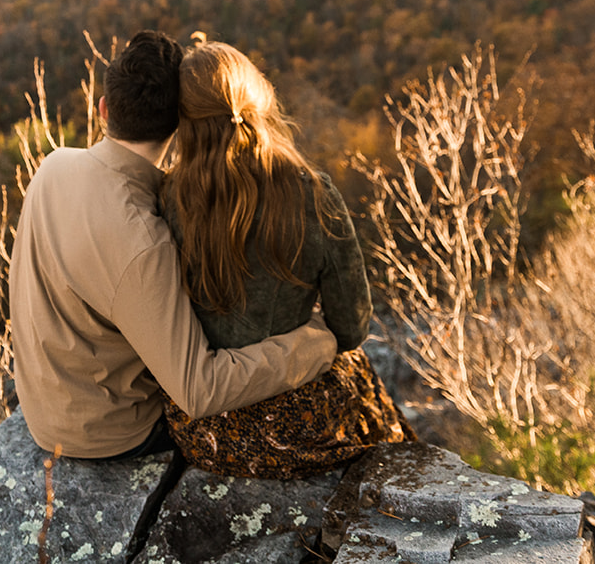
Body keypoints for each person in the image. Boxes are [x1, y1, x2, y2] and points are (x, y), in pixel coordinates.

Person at [9, 30, 339, 459]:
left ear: (103, 108)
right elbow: (199, 389)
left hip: (42, 412)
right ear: (181, 126)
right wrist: (313, 345)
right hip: (108, 435)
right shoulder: (144, 241)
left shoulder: (53, 166)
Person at [158, 39, 408, 477]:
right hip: (294, 424)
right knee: (371, 401)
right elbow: (351, 329)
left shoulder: (164, 199)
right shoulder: (314, 194)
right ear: (257, 99)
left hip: (208, 431)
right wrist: (304, 339)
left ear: (182, 121)